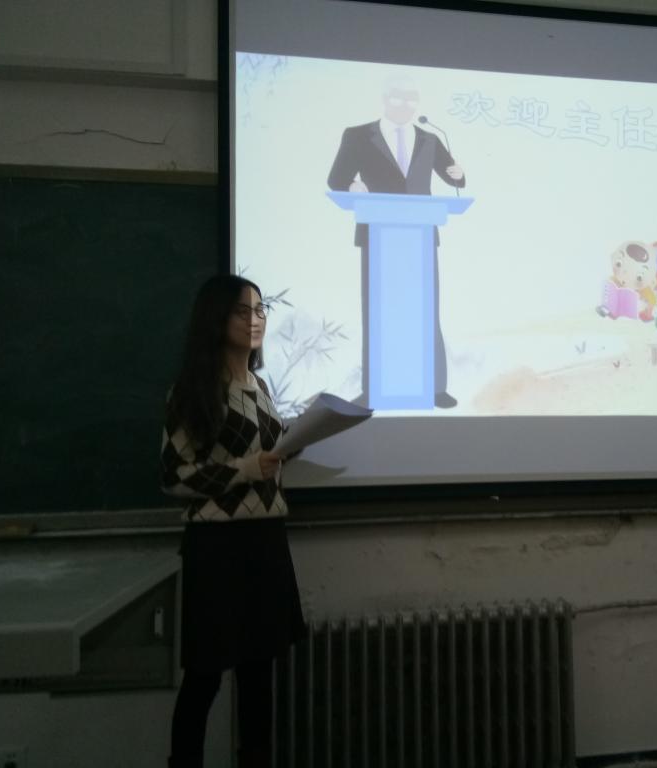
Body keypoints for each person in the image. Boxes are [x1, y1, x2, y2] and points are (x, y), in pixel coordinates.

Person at [162, 274, 305, 768]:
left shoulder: (260, 388)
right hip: (217, 548)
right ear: (216, 318)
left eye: (260, 310)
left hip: (265, 539)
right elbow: (173, 477)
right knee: (205, 676)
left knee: (258, 675)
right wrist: (246, 468)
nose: (255, 320)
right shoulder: (192, 392)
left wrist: (293, 443)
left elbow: (265, 457)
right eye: (243, 311)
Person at [327, 74, 465, 408]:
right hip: (378, 235)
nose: (405, 104)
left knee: (427, 312)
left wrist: (458, 175)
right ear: (385, 99)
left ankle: (435, 388)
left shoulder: (429, 138)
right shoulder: (358, 135)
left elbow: (453, 176)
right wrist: (352, 186)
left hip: (420, 235)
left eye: (411, 97)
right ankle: (374, 389)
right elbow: (336, 179)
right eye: (398, 97)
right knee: (377, 312)